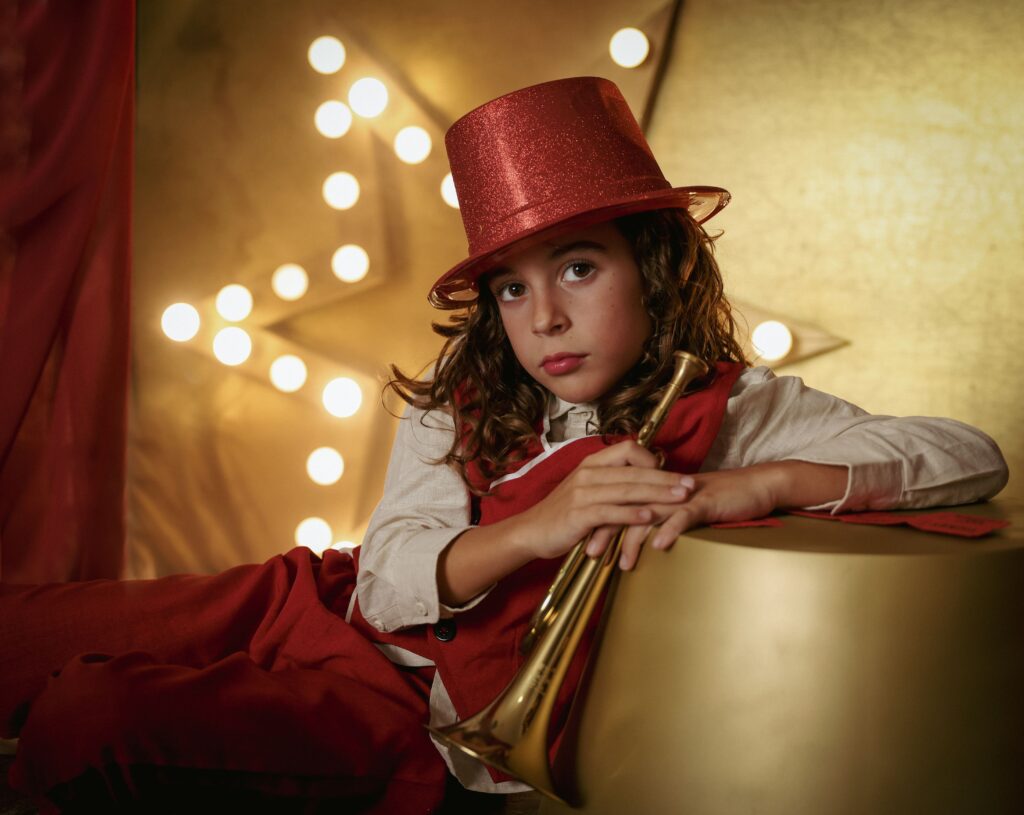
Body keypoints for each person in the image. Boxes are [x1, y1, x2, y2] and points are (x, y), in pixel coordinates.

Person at [0, 77, 1008, 813]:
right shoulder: (460, 395)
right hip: (308, 599)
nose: (543, 318)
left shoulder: (734, 411)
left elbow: (967, 453)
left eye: (578, 267)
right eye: (512, 287)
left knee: (85, 716)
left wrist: (756, 485)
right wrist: (542, 526)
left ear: (654, 266)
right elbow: (388, 579)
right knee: (26, 633)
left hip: (401, 711)